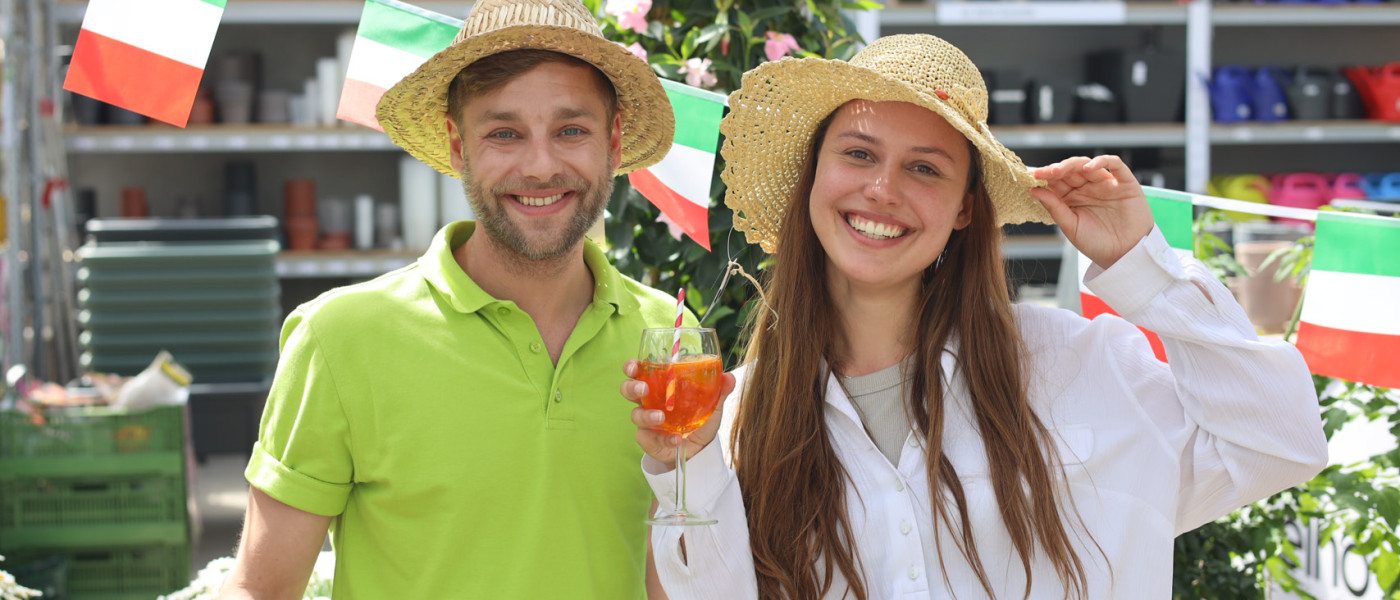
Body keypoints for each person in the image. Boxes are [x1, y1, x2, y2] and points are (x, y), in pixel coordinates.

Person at [625, 34, 1327, 599]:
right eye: (859, 154)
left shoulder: (1078, 363)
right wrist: (683, 466)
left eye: (924, 168)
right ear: (814, 177)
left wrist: (1142, 265)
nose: (882, 189)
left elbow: (1280, 440)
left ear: (965, 209)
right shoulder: (739, 416)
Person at [218, 0, 688, 597]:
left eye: (571, 130)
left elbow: (674, 577)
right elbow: (259, 590)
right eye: (504, 134)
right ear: (458, 146)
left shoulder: (667, 336)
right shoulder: (341, 338)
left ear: (613, 144)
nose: (540, 166)